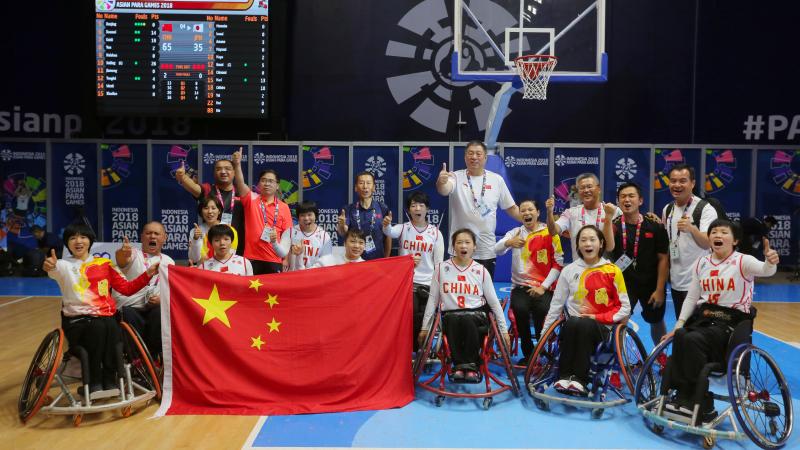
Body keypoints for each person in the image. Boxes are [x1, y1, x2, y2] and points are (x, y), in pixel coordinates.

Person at [663, 219, 778, 423]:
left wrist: (770, 261)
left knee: (692, 339)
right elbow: (691, 297)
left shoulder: (743, 261)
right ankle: (682, 396)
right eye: (713, 232)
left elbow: (765, 270)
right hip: (705, 319)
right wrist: (678, 325)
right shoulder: (702, 263)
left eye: (724, 232)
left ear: (735, 240)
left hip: (730, 324)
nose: (717, 235)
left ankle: (699, 401)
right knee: (682, 335)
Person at [44, 223, 158, 399]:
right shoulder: (63, 265)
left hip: (105, 318)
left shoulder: (105, 264)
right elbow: (53, 270)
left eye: (83, 237)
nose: (78, 241)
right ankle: (94, 383)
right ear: (68, 243)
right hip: (77, 321)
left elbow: (127, 288)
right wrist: (50, 266)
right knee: (99, 327)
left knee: (112, 326)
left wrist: (148, 273)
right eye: (73, 238)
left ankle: (111, 380)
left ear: (90, 241)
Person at [542, 225, 631, 395]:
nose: (587, 243)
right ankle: (564, 377)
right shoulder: (569, 270)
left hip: (602, 327)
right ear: (577, 246)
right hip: (574, 325)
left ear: (601, 244)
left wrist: (598, 317)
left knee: (583, 325)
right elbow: (556, 304)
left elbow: (625, 307)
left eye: (592, 239)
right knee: (571, 324)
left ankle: (579, 379)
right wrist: (544, 334)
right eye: (583, 240)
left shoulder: (613, 271)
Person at [418, 229, 510, 383]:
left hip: (476, 316)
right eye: (459, 242)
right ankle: (461, 366)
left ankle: (469, 366)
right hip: (450, 317)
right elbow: (433, 300)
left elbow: (494, 303)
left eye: (467, 242)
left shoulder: (481, 271)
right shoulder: (441, 269)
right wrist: (425, 328)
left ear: (474, 247)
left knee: (467, 319)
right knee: (454, 319)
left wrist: (503, 330)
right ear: (453, 246)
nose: (463, 245)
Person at [436, 140, 522, 276]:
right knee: (459, 290)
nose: (474, 157)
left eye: (478, 154)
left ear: (485, 157)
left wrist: (532, 222)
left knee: (484, 292)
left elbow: (511, 208)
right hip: (460, 246)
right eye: (470, 153)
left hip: (486, 248)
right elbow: (444, 190)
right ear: (465, 157)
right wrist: (441, 181)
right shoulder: (455, 176)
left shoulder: (497, 180)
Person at [495, 199, 564, 364]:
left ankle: (541, 351)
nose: (526, 213)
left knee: (542, 311)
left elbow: (558, 263)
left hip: (545, 287)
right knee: (520, 309)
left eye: (530, 210)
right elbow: (495, 249)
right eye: (523, 210)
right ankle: (528, 354)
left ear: (538, 213)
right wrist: (508, 243)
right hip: (521, 287)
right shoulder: (515, 233)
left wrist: (544, 286)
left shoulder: (549, 233)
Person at [382, 191, 445, 350]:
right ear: (409, 210)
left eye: (421, 205)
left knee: (425, 315)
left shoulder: (435, 233)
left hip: (429, 283)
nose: (417, 208)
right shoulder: (403, 228)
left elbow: (438, 264)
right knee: (412, 313)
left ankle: (422, 347)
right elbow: (389, 232)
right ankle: (411, 349)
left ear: (427, 209)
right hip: (407, 283)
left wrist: (438, 288)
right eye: (413, 205)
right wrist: (387, 224)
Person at [610, 182, 669, 343]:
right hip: (624, 283)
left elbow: (663, 258)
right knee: (620, 321)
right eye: (623, 197)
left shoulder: (654, 226)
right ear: (618, 202)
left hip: (651, 283)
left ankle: (660, 357)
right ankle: (619, 360)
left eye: (631, 196)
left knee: (656, 320)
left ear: (640, 200)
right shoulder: (613, 227)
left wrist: (659, 289)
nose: (627, 200)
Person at [661, 164, 717, 320]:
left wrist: (692, 229)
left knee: (696, 330)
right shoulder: (668, 209)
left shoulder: (705, 209)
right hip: (676, 280)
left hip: (699, 282)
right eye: (673, 181)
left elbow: (707, 243)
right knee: (682, 326)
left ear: (692, 183)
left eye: (682, 181)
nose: (677, 185)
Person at [114, 221, 175, 357]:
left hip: (153, 308)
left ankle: (152, 359)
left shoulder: (169, 261)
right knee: (128, 314)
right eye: (148, 233)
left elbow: (170, 291)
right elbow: (122, 260)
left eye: (156, 234)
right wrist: (122, 253)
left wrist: (162, 300)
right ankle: (134, 360)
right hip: (131, 307)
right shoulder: (134, 254)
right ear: (142, 237)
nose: (152, 236)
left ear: (164, 238)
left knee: (161, 313)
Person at [232, 148, 292, 274]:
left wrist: (286, 258)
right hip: (251, 258)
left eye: (271, 181)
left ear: (277, 186)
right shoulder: (251, 199)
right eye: (263, 180)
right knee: (250, 293)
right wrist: (237, 165)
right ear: (259, 184)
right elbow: (240, 183)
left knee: (274, 293)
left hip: (274, 258)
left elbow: (287, 235)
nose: (266, 184)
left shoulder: (283, 207)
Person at [175, 157, 246, 254]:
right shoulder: (208, 189)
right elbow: (193, 187)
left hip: (239, 247)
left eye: (227, 168)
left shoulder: (243, 192)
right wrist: (183, 177)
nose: (223, 171)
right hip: (212, 248)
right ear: (214, 173)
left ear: (234, 172)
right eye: (218, 169)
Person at [546, 173, 618, 261]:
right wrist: (549, 212)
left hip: (605, 271)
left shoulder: (613, 211)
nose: (586, 190)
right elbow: (553, 231)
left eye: (589, 186)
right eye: (582, 188)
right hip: (580, 271)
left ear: (598, 189)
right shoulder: (570, 213)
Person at [336, 171, 391, 261]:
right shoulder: (348, 209)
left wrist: (386, 259)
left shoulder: (382, 208)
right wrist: (341, 225)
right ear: (356, 188)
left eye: (368, 183)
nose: (365, 186)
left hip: (378, 261)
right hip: (354, 261)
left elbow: (388, 235)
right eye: (361, 183)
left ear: (373, 188)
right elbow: (343, 232)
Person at [277, 200, 332, 271]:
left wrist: (307, 272)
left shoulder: (324, 236)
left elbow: (326, 260)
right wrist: (274, 242)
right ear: (298, 217)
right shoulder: (289, 232)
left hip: (315, 277)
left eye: (309, 215)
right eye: (302, 215)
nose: (306, 218)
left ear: (315, 216)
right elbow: (281, 252)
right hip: (293, 277)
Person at [188, 196, 238, 265]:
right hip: (203, 272)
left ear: (219, 211)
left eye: (213, 208)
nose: (210, 212)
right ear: (201, 211)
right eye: (206, 208)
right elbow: (194, 259)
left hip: (223, 271)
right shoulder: (195, 231)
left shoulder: (230, 230)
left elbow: (230, 257)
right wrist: (195, 240)